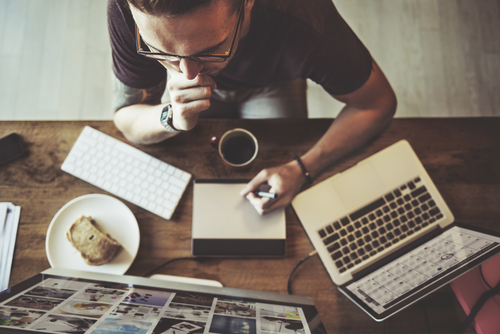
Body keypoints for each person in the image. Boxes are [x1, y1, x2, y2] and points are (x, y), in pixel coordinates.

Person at [108, 0, 397, 215]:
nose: (189, 75)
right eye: (161, 52)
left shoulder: (307, 21)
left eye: (210, 50)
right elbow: (126, 118)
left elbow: (377, 104)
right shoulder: (127, 10)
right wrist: (170, 115)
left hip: (272, 84)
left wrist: (302, 168)